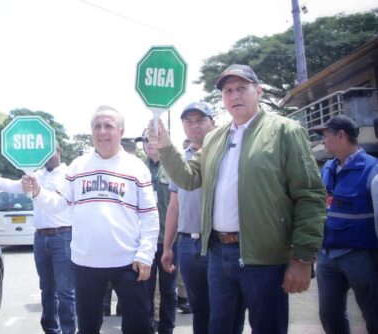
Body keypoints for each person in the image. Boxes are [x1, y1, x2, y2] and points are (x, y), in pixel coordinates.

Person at [152, 64, 327, 334]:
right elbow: (189, 178)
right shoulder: (214, 139)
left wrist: (303, 258)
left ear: (258, 91)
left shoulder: (285, 131)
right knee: (220, 327)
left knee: (268, 327)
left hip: (265, 256)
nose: (235, 96)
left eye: (242, 89)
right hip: (219, 254)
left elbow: (310, 196)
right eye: (228, 91)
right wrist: (165, 146)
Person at [22, 105, 158, 334]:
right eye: (97, 126)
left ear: (121, 131)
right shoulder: (78, 166)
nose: (102, 131)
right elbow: (60, 203)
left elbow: (149, 215)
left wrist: (145, 254)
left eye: (109, 126)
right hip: (85, 263)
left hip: (128, 262)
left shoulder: (137, 167)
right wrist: (37, 192)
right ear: (91, 131)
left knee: (139, 325)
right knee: (87, 327)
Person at [0, 145, 76, 334]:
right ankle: (51, 330)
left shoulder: (69, 174)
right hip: (40, 238)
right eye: (43, 150)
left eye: (50, 150)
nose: (45, 155)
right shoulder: (36, 174)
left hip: (63, 237)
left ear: (59, 151)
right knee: (47, 289)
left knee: (65, 291)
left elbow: (57, 201)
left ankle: (69, 330)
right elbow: (13, 186)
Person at [311, 115, 378, 334]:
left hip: (360, 255)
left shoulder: (371, 170)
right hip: (327, 255)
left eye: (326, 136)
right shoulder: (328, 168)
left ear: (341, 135)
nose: (323, 142)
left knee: (373, 313)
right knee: (329, 315)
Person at [160, 102, 216, 334]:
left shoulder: (225, 154)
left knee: (223, 309)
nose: (194, 126)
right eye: (188, 122)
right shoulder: (179, 160)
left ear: (213, 123)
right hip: (186, 244)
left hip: (216, 243)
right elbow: (174, 206)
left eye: (200, 120)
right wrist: (167, 247)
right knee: (199, 308)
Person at [137, 129, 176, 334]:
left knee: (169, 291)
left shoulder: (174, 166)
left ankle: (167, 328)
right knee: (145, 290)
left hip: (169, 240)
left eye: (153, 138)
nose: (150, 142)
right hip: (145, 242)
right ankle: (148, 328)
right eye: (145, 139)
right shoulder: (137, 168)